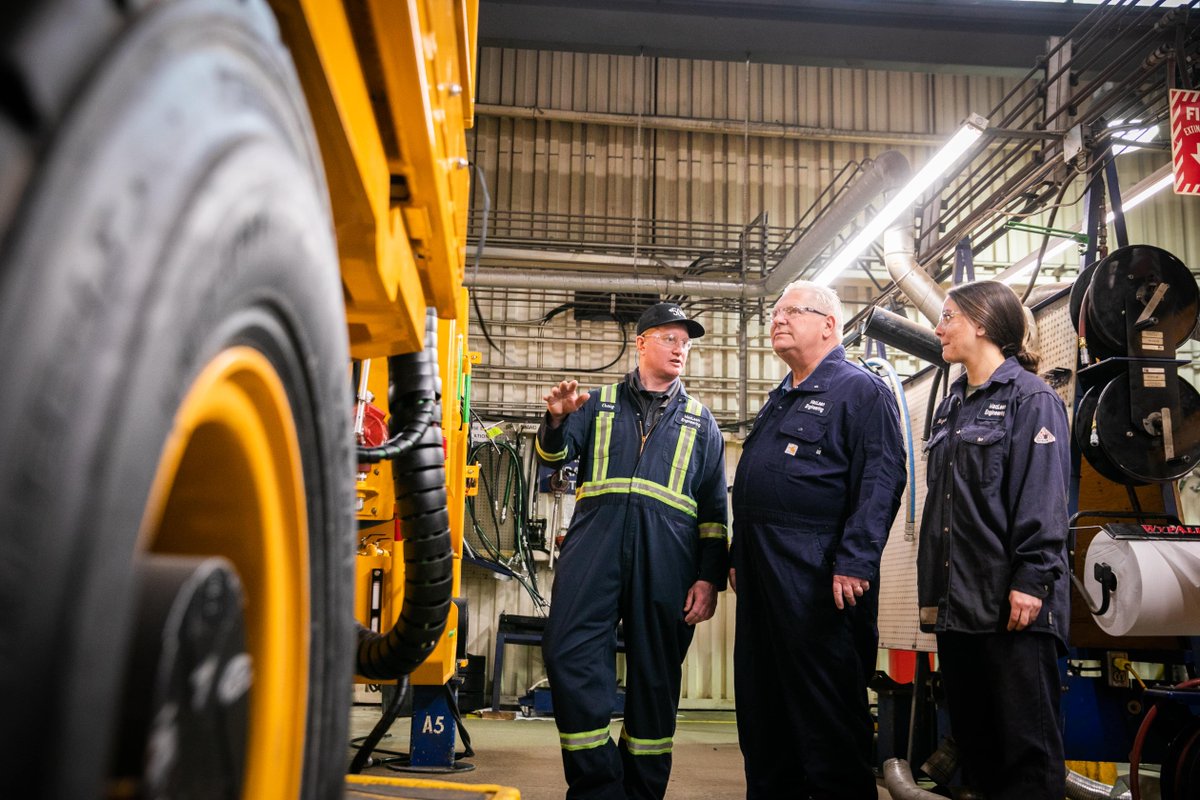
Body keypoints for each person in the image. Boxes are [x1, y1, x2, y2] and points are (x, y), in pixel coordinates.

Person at [537, 301, 729, 800]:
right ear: (642, 342)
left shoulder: (700, 422)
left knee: (655, 679)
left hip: (667, 559)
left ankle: (641, 793)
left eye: (686, 342)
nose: (680, 348)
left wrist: (708, 578)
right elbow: (554, 463)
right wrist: (555, 422)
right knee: (568, 654)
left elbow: (713, 511)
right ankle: (600, 786)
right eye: (670, 338)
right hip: (593, 548)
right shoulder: (596, 405)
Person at [730, 279, 907, 800]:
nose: (777, 319)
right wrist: (741, 555)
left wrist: (855, 561)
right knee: (763, 714)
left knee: (825, 716)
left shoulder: (860, 390)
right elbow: (754, 487)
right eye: (775, 313)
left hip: (818, 576)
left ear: (830, 325)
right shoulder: (781, 396)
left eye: (792, 311)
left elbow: (881, 480)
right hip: (764, 576)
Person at [917, 280, 1070, 800]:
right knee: (977, 753)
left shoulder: (1033, 399)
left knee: (1027, 753)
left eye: (947, 317)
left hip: (1014, 608)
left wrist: (1030, 579)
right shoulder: (952, 404)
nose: (938, 328)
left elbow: (1043, 497)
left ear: (981, 323)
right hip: (959, 607)